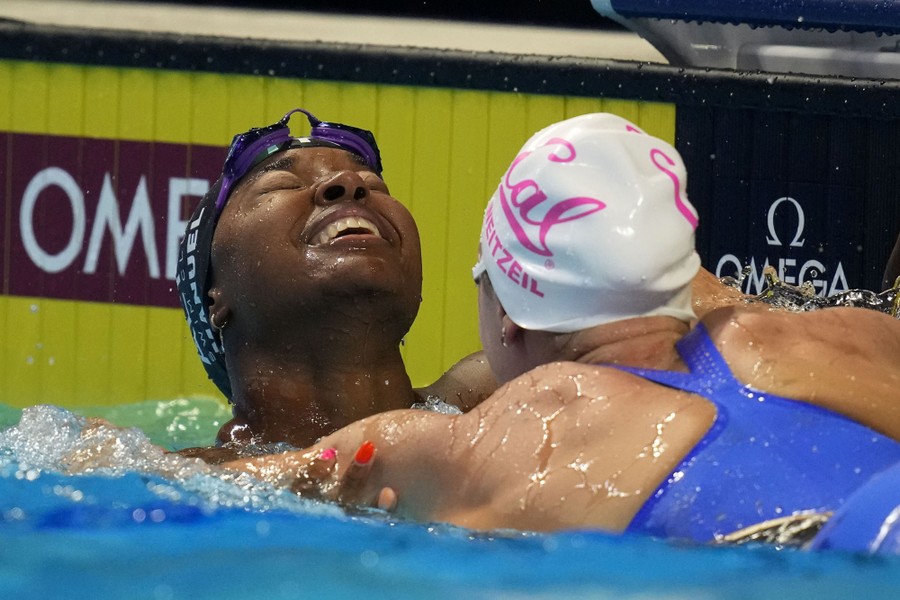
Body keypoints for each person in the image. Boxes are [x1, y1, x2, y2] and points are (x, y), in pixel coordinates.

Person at [223, 113, 900, 544]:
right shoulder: (836, 337)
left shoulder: (481, 442)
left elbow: (205, 489)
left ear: (511, 313)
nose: (349, 190)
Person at [174, 108, 495, 460]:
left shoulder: (507, 397)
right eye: (284, 184)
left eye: (372, 184)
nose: (349, 183)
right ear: (213, 299)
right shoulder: (182, 479)